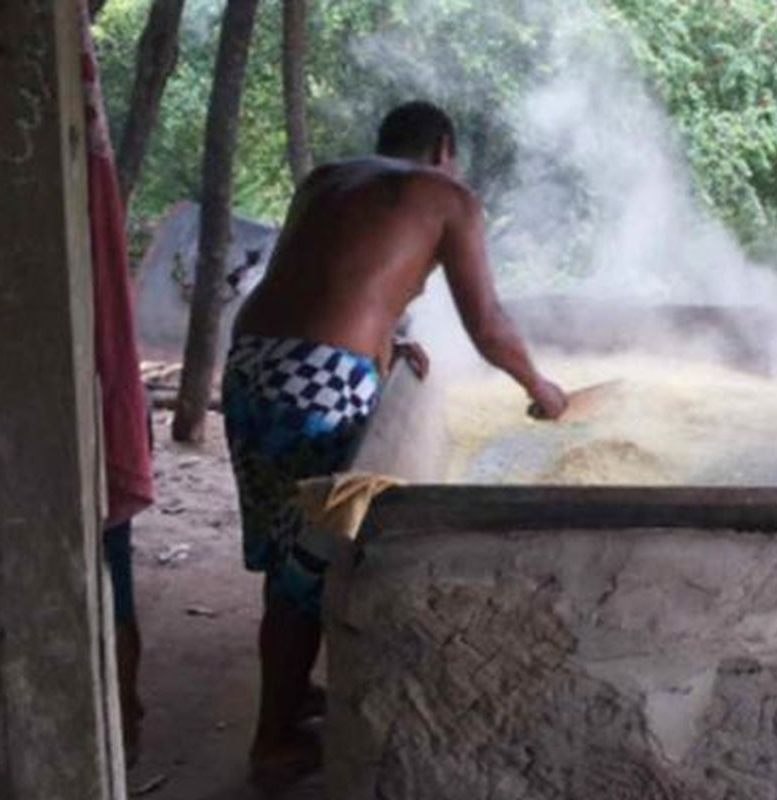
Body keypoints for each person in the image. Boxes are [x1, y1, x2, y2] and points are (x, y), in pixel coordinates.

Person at [224, 100, 568, 786]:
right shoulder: (449, 196)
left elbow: (325, 286)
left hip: (251, 362)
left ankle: (288, 703)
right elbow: (489, 324)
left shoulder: (325, 180)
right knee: (313, 561)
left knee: (286, 556)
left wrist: (388, 341)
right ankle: (272, 743)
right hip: (320, 382)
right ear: (444, 147)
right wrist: (541, 387)